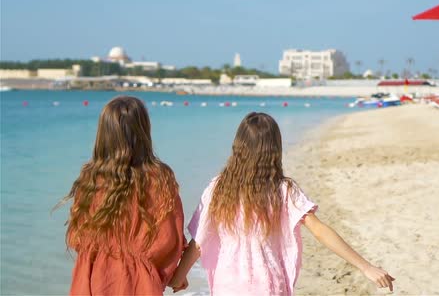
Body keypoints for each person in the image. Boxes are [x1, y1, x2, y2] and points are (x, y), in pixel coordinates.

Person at [168, 112, 394, 295]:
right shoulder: (283, 190)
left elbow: (199, 241)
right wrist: (365, 266)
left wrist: (178, 277)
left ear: (238, 147)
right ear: (274, 149)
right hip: (268, 285)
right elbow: (319, 230)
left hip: (227, 286)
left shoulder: (218, 188)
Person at [56, 96, 186, 295]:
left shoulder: (91, 177)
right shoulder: (159, 177)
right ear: (144, 130)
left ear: (104, 134)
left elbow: (78, 237)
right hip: (137, 283)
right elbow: (167, 239)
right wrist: (171, 274)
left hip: (91, 279)